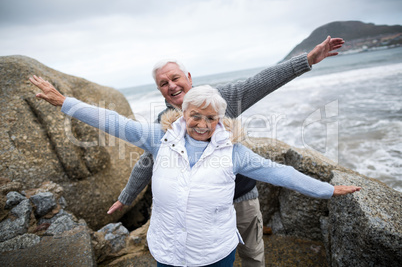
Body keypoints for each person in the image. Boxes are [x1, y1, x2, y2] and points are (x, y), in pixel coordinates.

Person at [28, 79, 361, 267]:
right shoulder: (158, 138)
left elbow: (281, 173)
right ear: (183, 113)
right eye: (195, 116)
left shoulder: (234, 152)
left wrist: (327, 190)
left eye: (210, 118)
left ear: (220, 119)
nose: (202, 125)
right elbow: (112, 121)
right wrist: (64, 102)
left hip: (215, 251)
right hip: (168, 249)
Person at [108, 36, 345, 266]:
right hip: (197, 207)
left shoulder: (221, 99)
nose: (171, 85)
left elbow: (261, 82)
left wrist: (307, 60)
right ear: (160, 90)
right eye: (163, 83)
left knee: (252, 252)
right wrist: (126, 197)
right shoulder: (163, 121)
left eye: (175, 78)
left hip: (240, 198)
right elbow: (148, 160)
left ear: (188, 77)